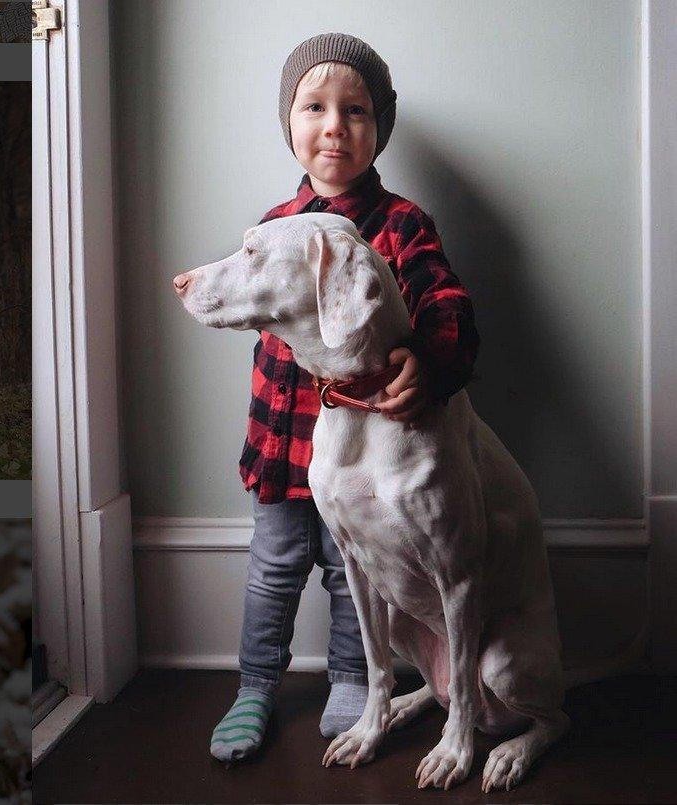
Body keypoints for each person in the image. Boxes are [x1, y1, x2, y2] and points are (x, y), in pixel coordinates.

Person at [210, 32, 480, 762]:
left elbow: (444, 303)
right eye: (315, 107)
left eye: (355, 110)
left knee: (350, 569)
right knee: (272, 567)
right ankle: (254, 686)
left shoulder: (402, 226)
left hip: (365, 461)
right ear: (289, 123)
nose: (334, 126)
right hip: (283, 440)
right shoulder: (274, 230)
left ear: (379, 127)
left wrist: (431, 361)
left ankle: (355, 680)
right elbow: (238, 294)